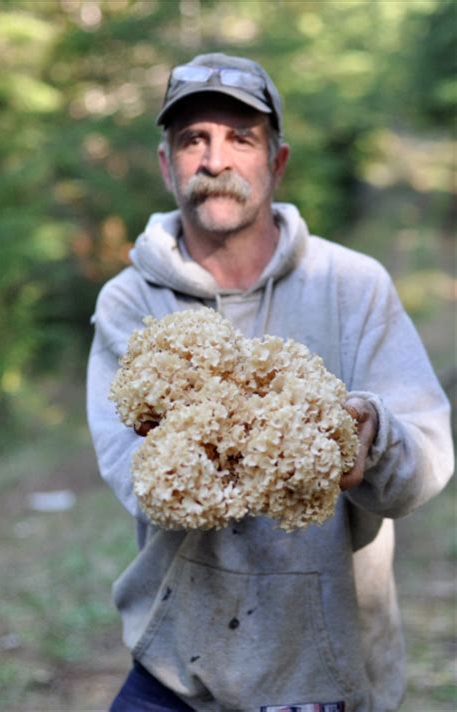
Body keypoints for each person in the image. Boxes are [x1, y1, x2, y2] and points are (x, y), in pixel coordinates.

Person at [87, 53, 453, 712]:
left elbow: (428, 459)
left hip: (323, 672)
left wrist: (371, 440)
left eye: (240, 138)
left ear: (276, 162)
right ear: (167, 164)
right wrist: (254, 449)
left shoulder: (354, 284)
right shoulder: (128, 301)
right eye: (193, 139)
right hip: (176, 667)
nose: (215, 159)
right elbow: (139, 479)